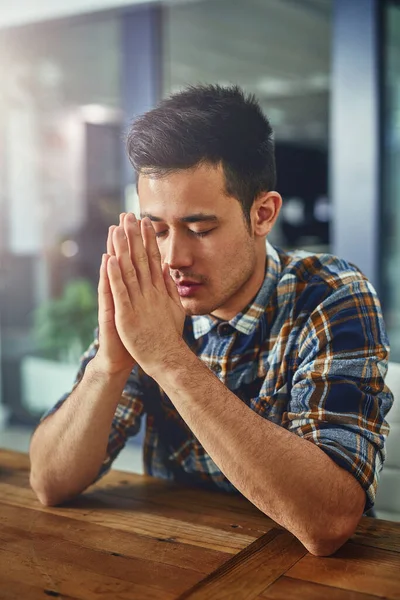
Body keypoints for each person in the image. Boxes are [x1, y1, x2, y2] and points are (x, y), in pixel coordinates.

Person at [29, 84, 393, 557]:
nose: (173, 256)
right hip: (176, 558)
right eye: (156, 229)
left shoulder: (331, 295)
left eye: (200, 229)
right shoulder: (149, 296)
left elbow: (329, 521)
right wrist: (110, 365)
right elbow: (49, 483)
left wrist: (167, 357)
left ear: (262, 214)